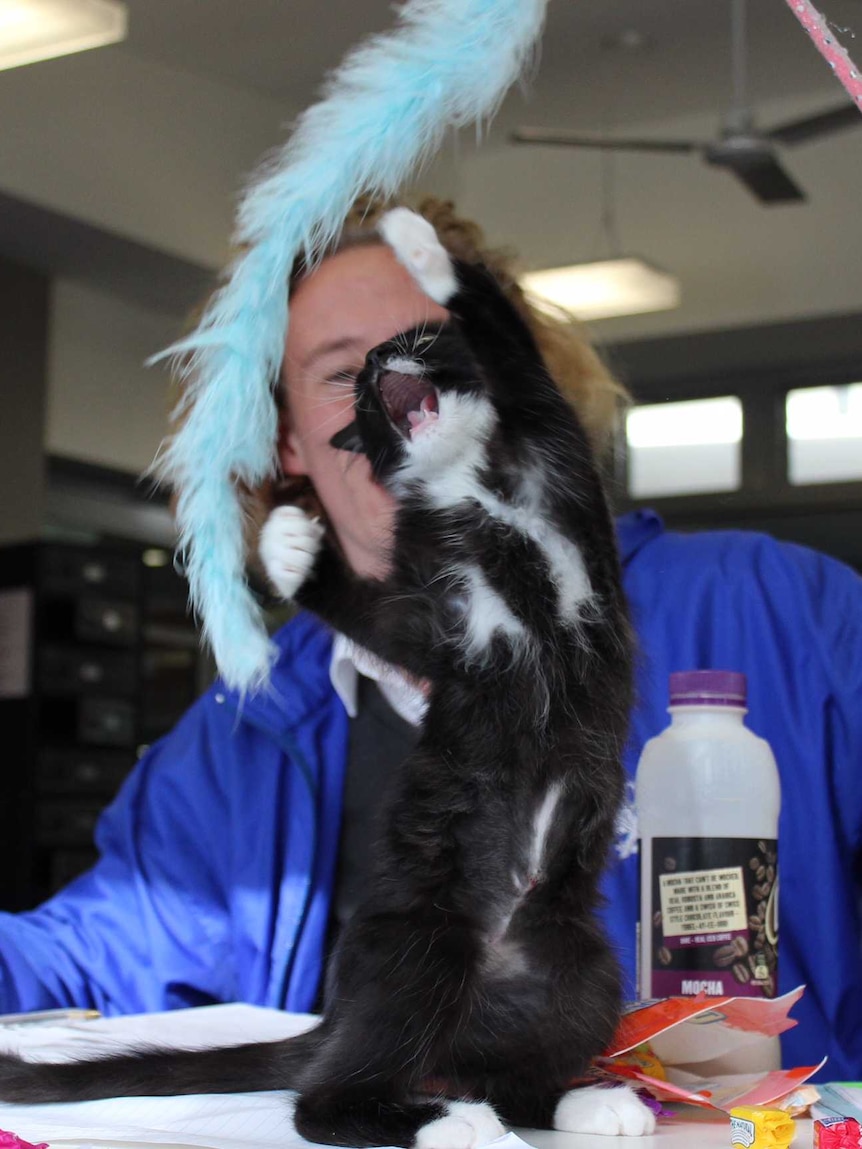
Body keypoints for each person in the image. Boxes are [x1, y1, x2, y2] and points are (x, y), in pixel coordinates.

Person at [0, 199, 859, 1083]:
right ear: (286, 439)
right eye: (343, 374)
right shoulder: (242, 740)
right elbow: (83, 956)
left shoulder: (777, 610)